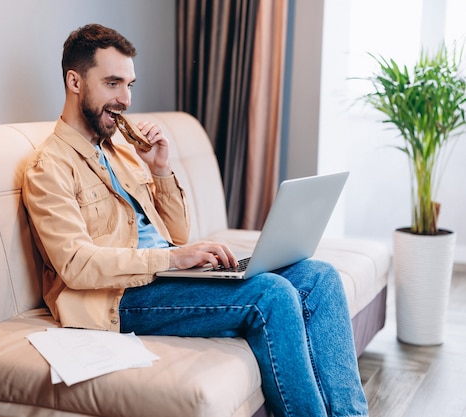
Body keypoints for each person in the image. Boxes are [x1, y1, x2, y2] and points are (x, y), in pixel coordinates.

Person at [22, 23, 368, 417]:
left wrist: (160, 170)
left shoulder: (119, 151)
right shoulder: (49, 167)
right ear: (75, 81)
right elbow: (77, 266)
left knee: (319, 277)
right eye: (113, 83)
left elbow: (176, 234)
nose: (125, 99)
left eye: (130, 85)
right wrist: (173, 259)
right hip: (118, 298)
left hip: (164, 276)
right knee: (271, 295)